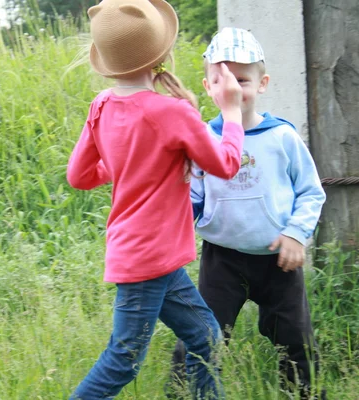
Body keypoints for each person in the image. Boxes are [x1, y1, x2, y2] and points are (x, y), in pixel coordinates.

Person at [66, 1, 246, 398]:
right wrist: (231, 113)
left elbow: (79, 176)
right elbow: (227, 163)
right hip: (149, 259)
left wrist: (130, 164)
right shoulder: (173, 113)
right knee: (123, 360)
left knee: (207, 339)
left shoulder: (101, 107)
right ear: (161, 55)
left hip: (152, 256)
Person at [169, 27, 327, 400]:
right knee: (202, 332)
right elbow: (191, 198)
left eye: (242, 80)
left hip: (279, 260)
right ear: (207, 86)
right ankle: (183, 392)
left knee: (295, 339)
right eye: (222, 80)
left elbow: (310, 192)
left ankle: (303, 395)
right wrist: (174, 235)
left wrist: (295, 233)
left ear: (263, 83)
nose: (233, 90)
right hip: (222, 259)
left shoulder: (282, 138)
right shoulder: (203, 140)